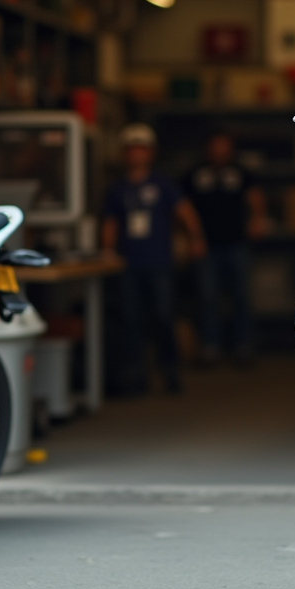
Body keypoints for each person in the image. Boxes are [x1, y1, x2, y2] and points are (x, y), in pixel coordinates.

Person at [102, 123, 206, 396]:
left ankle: (170, 370)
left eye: (142, 149)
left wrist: (195, 238)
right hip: (129, 263)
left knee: (163, 316)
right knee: (130, 320)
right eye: (132, 150)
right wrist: (108, 251)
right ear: (125, 154)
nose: (137, 155)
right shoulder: (117, 189)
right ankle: (136, 373)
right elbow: (110, 223)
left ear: (150, 153)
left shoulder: (162, 184)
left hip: (159, 261)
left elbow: (184, 211)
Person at [183, 132, 267, 366]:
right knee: (207, 298)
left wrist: (257, 219)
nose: (220, 151)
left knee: (241, 297)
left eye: (224, 147)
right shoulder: (196, 174)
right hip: (206, 246)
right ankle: (211, 347)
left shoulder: (239, 172)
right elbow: (182, 206)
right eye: (215, 147)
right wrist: (191, 238)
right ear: (208, 149)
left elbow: (255, 196)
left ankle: (243, 346)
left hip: (236, 244)